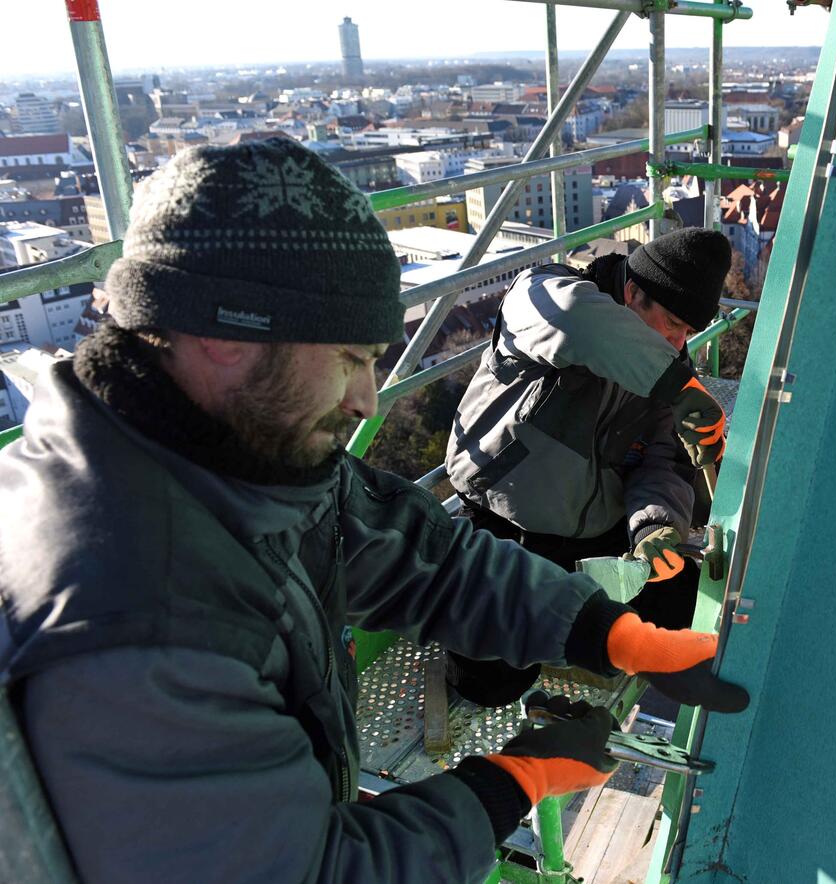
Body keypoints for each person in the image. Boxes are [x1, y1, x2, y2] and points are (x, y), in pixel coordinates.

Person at [0, 139, 748, 884]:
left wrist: (605, 632)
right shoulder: (140, 622)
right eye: (350, 358)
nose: (367, 399)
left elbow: (418, 555)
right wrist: (511, 784)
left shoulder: (239, 450)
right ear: (224, 339)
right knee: (489, 681)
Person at [444, 228, 731, 706]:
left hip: (594, 534)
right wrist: (678, 386)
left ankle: (569, 625)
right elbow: (576, 322)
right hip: (505, 524)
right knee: (489, 685)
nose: (678, 342)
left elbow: (662, 460)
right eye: (673, 322)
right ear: (633, 291)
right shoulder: (543, 295)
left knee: (689, 609)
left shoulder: (668, 363)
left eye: (688, 333)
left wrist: (655, 526)